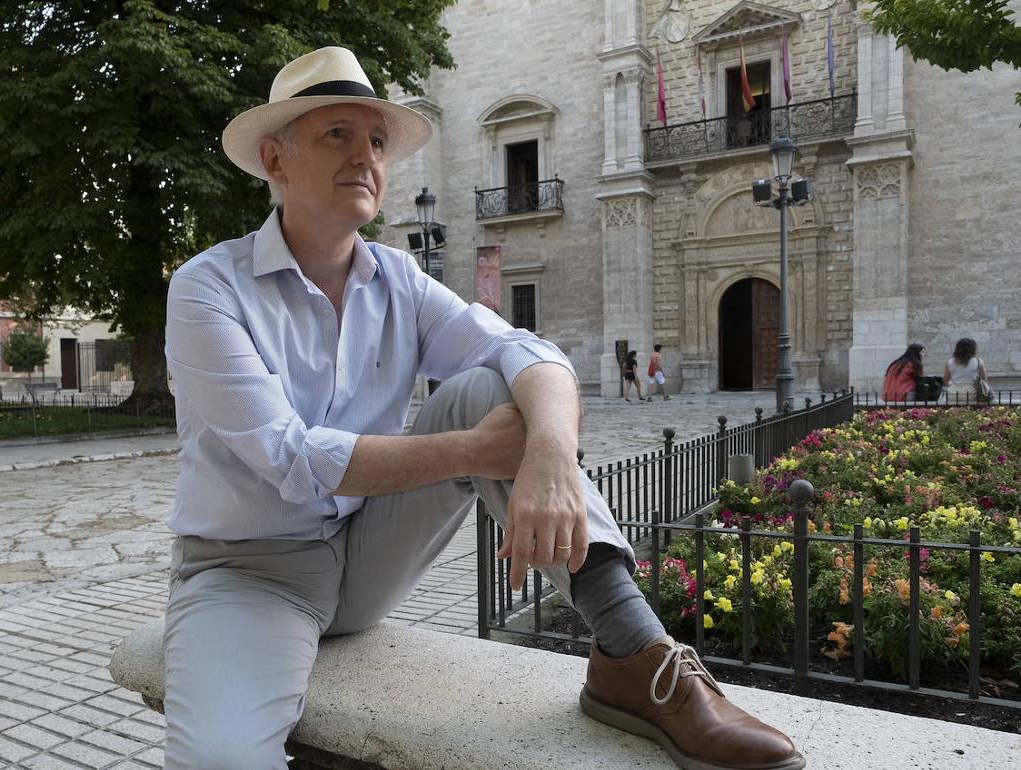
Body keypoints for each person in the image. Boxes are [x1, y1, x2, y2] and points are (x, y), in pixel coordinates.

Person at [163, 46, 803, 770]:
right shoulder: (208, 287)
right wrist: (475, 452)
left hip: (365, 556)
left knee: (499, 392)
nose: (365, 156)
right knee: (219, 761)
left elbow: (531, 352)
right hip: (251, 571)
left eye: (375, 140)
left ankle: (635, 654)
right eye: (336, 134)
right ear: (275, 160)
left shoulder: (396, 279)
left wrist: (552, 457)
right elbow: (289, 459)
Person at [943, 337, 989, 404]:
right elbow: (985, 381)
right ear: (973, 349)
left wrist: (954, 384)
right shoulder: (978, 361)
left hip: (953, 393)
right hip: (971, 394)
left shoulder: (949, 362)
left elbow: (945, 381)